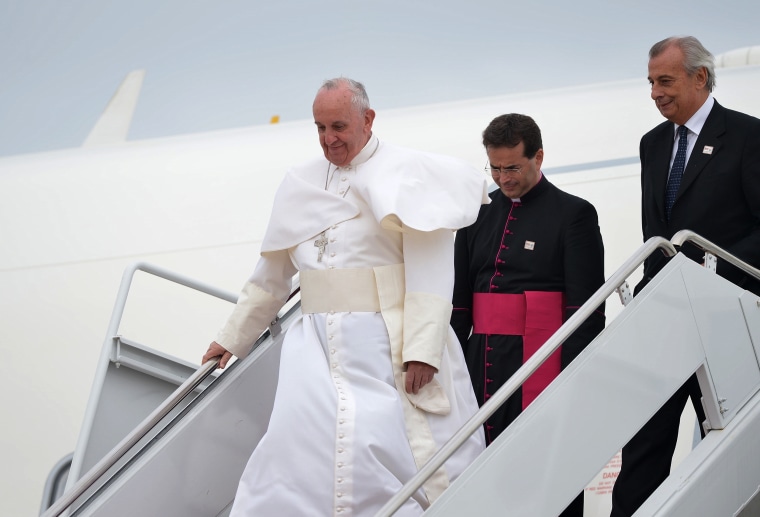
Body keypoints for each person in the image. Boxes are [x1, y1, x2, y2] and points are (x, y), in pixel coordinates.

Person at [202, 77, 489, 516]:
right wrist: (233, 336)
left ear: (368, 119)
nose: (328, 139)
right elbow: (272, 275)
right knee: (297, 445)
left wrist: (423, 349)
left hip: (387, 343)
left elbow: (432, 270)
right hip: (315, 349)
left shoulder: (409, 173)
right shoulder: (301, 181)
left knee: (382, 443)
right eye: (319, 128)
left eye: (338, 126)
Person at [610, 36, 760, 516]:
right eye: (651, 82)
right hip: (667, 314)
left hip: (726, 317)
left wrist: (708, 271)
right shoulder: (652, 145)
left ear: (700, 77)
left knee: (734, 443)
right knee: (644, 441)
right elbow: (656, 231)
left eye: (665, 80)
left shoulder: (747, 136)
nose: (655, 92)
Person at [450, 113, 605, 516]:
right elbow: (461, 301)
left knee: (548, 471)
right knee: (480, 469)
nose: (503, 178)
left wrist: (574, 375)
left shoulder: (574, 214)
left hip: (542, 360)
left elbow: (585, 308)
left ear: (538, 157)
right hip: (481, 360)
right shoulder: (476, 213)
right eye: (495, 168)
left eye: (513, 167)